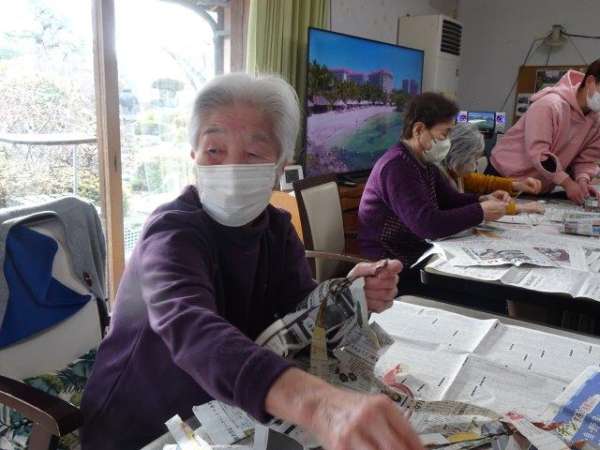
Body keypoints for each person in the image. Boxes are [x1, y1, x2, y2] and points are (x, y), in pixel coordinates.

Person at [80, 73, 424, 450]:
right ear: (193, 157)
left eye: (253, 154)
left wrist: (350, 293)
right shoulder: (171, 233)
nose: (230, 168)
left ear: (280, 166)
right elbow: (192, 327)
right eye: (214, 150)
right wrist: (319, 404)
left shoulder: (277, 229)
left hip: (227, 408)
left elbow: (296, 307)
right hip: (144, 424)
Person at [357, 93, 509, 290]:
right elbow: (427, 225)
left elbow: (449, 200)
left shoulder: (423, 163)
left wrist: (482, 200)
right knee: (479, 290)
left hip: (413, 252)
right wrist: (480, 212)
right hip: (389, 264)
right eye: (444, 134)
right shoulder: (397, 167)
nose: (448, 142)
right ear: (419, 129)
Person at [488, 60, 600, 204]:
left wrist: (582, 181)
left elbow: (586, 159)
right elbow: (540, 154)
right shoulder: (549, 105)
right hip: (504, 177)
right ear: (590, 82)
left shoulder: (596, 120)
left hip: (538, 186)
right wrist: (567, 183)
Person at [441, 123, 544, 215]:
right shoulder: (442, 179)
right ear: (461, 156)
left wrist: (517, 185)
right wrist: (519, 208)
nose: (476, 163)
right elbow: (464, 210)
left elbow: (485, 182)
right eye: (475, 158)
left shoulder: (456, 173)